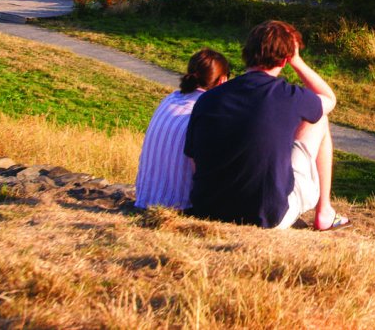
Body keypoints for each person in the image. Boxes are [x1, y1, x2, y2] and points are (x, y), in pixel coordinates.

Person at [184, 19, 349, 231]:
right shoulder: (289, 96)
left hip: (207, 209)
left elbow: (194, 159)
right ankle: (324, 212)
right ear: (284, 60)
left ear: (246, 52)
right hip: (265, 215)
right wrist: (297, 61)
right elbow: (328, 99)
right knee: (320, 118)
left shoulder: (208, 98)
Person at [135, 48, 231, 210]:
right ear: (222, 80)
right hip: (180, 204)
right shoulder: (209, 110)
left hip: (145, 198)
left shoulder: (171, 98)